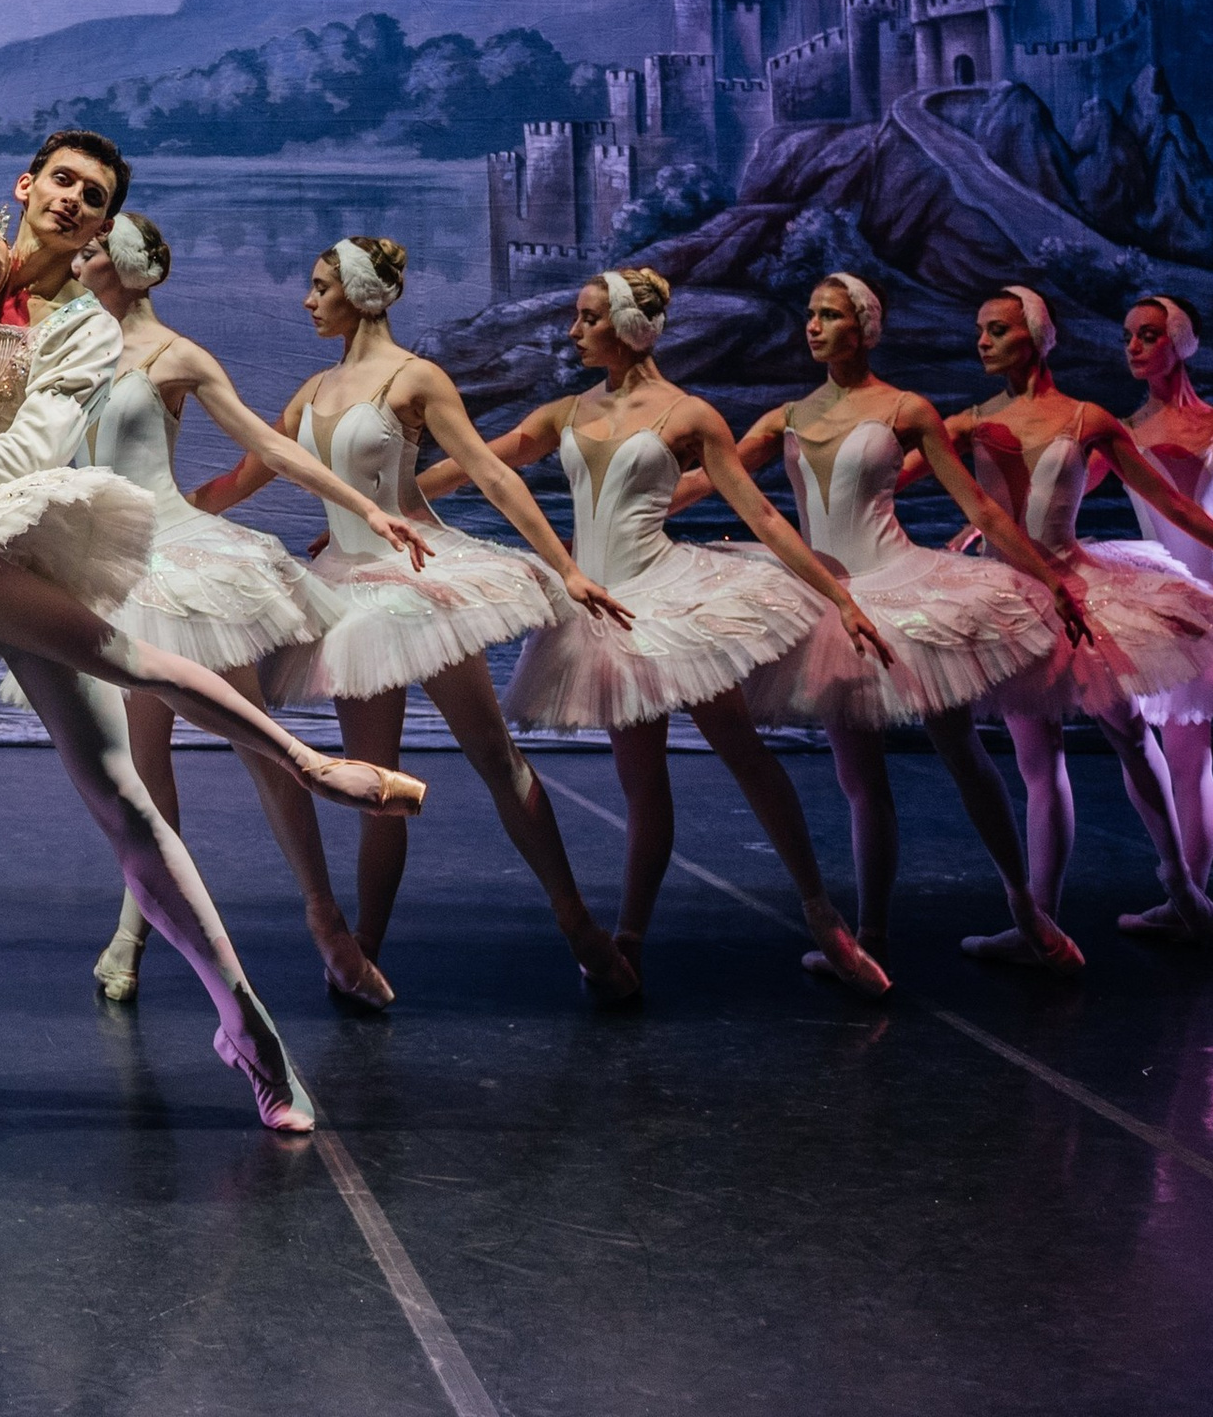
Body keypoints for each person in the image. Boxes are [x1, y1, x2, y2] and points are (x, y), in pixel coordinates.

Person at [0, 137, 426, 1140]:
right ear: (25, 185)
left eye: (91, 198)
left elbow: (19, 451)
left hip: (16, 558)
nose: (70, 202)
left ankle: (249, 1028)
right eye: (60, 180)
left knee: (120, 800)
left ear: (100, 227)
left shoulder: (85, 332)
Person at [196, 234, 641, 1005]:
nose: (307, 300)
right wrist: (147, 514)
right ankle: (366, 946)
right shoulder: (311, 391)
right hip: (347, 595)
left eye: (320, 285)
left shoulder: (416, 379)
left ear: (362, 295)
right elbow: (243, 476)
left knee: (494, 759)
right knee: (376, 786)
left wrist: (567, 568)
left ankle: (581, 929)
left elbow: (491, 474)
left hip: (418, 580)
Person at [465, 267, 893, 995]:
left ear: (630, 329)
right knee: (640, 780)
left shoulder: (690, 416)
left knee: (741, 752)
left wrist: (838, 598)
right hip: (605, 610)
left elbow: (761, 515)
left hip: (674, 598)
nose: (574, 331)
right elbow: (478, 461)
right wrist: (384, 507)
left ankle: (823, 917)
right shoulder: (566, 411)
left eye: (588, 318)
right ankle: (629, 941)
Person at [673, 273, 1083, 972]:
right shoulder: (786, 419)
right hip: (829, 597)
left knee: (960, 751)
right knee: (858, 777)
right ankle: (871, 939)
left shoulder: (905, 409)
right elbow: (713, 479)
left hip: (905, 591)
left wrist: (1051, 579)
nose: (813, 325)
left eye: (830, 315)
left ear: (864, 328)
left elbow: (981, 511)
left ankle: (1025, 908)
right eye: (809, 313)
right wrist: (627, 513)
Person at [943, 287, 1213, 949]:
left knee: (1141, 739)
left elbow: (1176, 508)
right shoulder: (977, 421)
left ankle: (1182, 888)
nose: (981, 340)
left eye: (996, 329)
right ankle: (1040, 921)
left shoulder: (1092, 419)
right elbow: (900, 469)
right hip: (1020, 595)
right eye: (980, 329)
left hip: (1110, 588)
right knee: (1040, 759)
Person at [1105, 294, 1213, 892]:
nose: (1134, 347)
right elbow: (1057, 491)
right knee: (1185, 752)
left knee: (1194, 754)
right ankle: (1189, 893)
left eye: (1148, 335)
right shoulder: (1121, 434)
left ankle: (1189, 895)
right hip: (1175, 601)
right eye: (1129, 337)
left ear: (1181, 342)